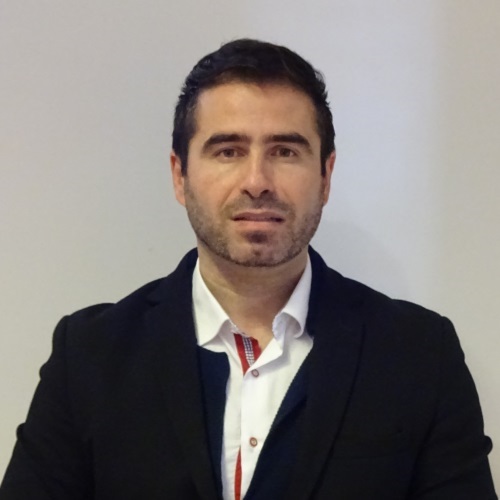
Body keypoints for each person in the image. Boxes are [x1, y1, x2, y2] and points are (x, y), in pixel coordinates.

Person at [0, 39, 496, 500]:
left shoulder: (420, 356)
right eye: (228, 151)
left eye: (285, 151)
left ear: (325, 176)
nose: (257, 181)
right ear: (180, 175)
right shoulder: (89, 357)